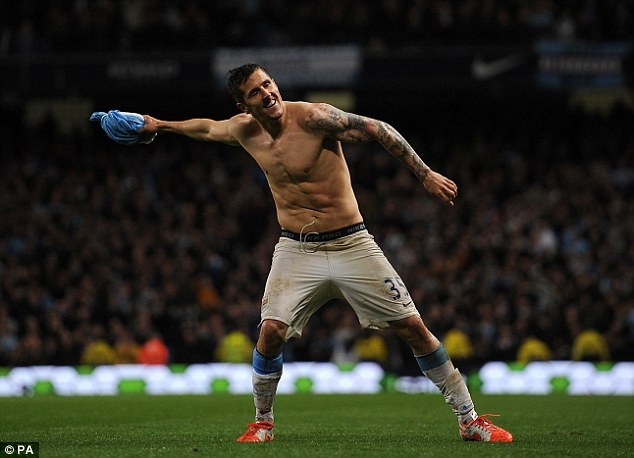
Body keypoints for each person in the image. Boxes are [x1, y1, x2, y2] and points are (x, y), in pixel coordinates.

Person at [138, 63, 513, 443]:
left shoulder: (314, 118)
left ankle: (469, 419)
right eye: (255, 92)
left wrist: (425, 174)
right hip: (297, 248)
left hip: (352, 243)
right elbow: (205, 128)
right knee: (270, 331)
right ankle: (262, 422)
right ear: (243, 106)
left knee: (413, 328)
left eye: (268, 84)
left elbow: (379, 129)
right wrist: (159, 125)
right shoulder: (243, 130)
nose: (267, 93)